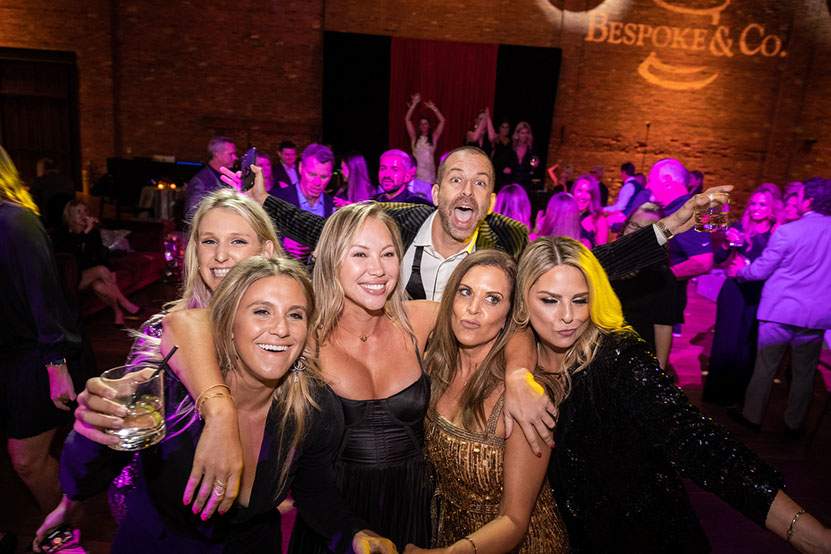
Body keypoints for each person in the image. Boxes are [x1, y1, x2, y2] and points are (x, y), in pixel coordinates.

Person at [44, 256, 394, 553]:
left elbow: (314, 492)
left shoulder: (314, 408)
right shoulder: (169, 393)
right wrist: (90, 431)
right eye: (262, 311)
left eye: (295, 315)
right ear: (227, 324)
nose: (281, 329)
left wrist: (355, 533)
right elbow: (81, 482)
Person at [514, 236, 831, 553]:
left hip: (642, 534)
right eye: (550, 300)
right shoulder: (519, 360)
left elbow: (698, 442)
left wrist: (806, 534)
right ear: (524, 301)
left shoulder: (618, 357)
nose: (568, 316)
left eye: (580, 300)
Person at [248, 146, 693, 304]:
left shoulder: (508, 240)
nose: (467, 191)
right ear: (435, 192)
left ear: (490, 201)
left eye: (480, 183)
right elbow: (327, 232)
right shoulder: (397, 222)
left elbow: (582, 267)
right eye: (456, 180)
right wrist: (264, 201)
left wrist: (668, 227)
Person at [407, 251, 569, 554]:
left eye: (492, 299)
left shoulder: (523, 399)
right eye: (465, 292)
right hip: (448, 533)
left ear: (509, 316)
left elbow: (514, 519)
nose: (473, 308)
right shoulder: (434, 367)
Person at [0, 145, 94, 549]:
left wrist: (56, 364)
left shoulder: (15, 221)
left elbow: (45, 298)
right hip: (8, 354)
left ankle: (65, 533)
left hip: (36, 355)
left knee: (26, 459)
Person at [728, 177, 831, 435]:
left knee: (765, 367)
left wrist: (741, 272)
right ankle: (794, 423)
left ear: (808, 201)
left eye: (801, 196)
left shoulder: (789, 231)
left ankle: (752, 416)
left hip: (780, 310)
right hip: (816, 315)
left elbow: (760, 271)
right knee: (805, 372)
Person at [703, 186, 781, 407]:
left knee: (748, 343)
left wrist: (747, 267)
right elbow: (719, 258)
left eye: (762, 204)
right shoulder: (739, 227)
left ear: (772, 208)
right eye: (753, 203)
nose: (756, 208)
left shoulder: (777, 233)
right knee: (726, 341)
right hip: (734, 291)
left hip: (759, 293)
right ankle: (718, 394)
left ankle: (739, 395)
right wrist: (726, 243)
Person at [646, 158, 713, 346]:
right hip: (661, 297)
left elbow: (703, 262)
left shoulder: (687, 212)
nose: (649, 186)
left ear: (667, 180)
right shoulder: (674, 209)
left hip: (664, 299)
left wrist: (659, 276)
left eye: (652, 181)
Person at [610, 203, 678, 369]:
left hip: (635, 360)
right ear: (624, 227)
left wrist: (660, 370)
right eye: (633, 225)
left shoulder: (662, 277)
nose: (637, 233)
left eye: (647, 230)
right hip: (599, 355)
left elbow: (663, 327)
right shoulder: (606, 265)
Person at [53, 200, 141, 326]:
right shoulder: (63, 233)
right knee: (101, 270)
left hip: (89, 274)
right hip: (71, 278)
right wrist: (86, 231)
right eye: (78, 212)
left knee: (98, 286)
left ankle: (118, 312)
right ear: (70, 215)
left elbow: (101, 254)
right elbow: (71, 248)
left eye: (85, 211)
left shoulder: (93, 233)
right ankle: (125, 303)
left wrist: (111, 270)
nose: (83, 215)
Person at [270, 143, 336, 259]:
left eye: (324, 177)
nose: (317, 183)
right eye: (312, 174)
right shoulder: (276, 198)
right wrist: (283, 243)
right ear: (301, 168)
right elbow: (260, 237)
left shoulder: (333, 207)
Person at [185, 136, 237, 220]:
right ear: (218, 155)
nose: (235, 157)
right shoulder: (200, 181)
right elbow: (192, 215)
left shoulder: (224, 176)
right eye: (231, 154)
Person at [405, 93, 445, 183]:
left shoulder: (433, 138)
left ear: (429, 126)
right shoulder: (414, 137)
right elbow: (407, 120)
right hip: (416, 176)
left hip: (429, 176)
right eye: (421, 124)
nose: (423, 126)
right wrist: (414, 104)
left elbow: (442, 121)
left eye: (425, 124)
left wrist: (434, 108)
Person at [29, 157, 76, 229]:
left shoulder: (39, 182)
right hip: (67, 222)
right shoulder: (69, 181)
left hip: (46, 223)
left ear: (43, 169)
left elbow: (30, 201)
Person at [571, 174, 608, 247]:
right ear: (573, 192)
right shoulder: (564, 215)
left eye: (588, 192)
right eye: (579, 190)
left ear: (593, 195)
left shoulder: (599, 221)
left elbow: (603, 252)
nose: (583, 196)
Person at [503, 121, 539, 193]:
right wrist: (506, 168)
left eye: (527, 133)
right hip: (511, 181)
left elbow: (534, 165)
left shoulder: (531, 149)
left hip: (525, 183)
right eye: (522, 133)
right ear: (517, 134)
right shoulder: (510, 147)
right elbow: (503, 162)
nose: (525, 135)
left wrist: (536, 164)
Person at [492, 119, 513, 191]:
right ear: (499, 128)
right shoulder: (495, 138)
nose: (505, 129)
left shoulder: (511, 141)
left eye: (507, 127)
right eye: (503, 127)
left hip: (506, 172)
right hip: (496, 169)